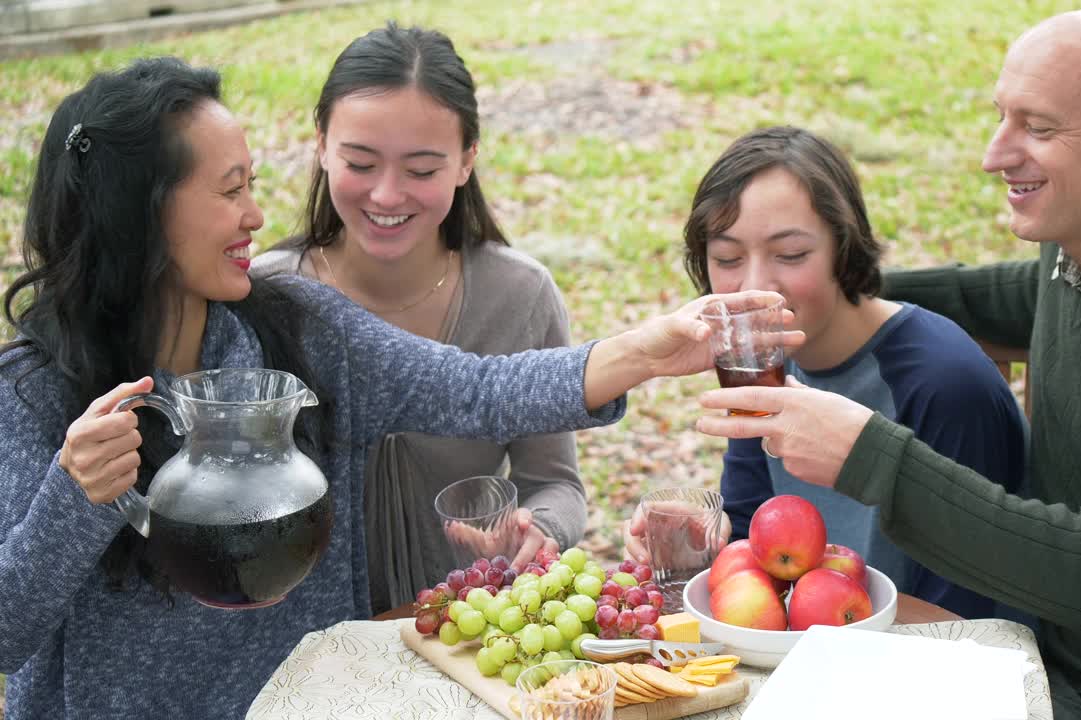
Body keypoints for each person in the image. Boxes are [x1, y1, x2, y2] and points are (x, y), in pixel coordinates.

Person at [0, 57, 797, 719]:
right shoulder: (33, 395)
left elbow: (478, 393)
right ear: (141, 213)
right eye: (229, 189)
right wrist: (73, 498)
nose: (255, 213)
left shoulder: (299, 330)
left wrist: (646, 350)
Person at [697, 7, 1081, 719]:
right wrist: (808, 292)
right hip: (1047, 664)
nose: (994, 153)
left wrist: (875, 457)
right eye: (1002, 118)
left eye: (1037, 128)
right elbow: (1006, 294)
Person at [624, 126, 1027, 620]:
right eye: (727, 258)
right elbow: (756, 534)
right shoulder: (761, 356)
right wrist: (705, 539)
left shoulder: (942, 381)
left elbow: (970, 616)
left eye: (791, 255)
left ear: (845, 246)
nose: (755, 288)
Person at [253, 24, 583, 614]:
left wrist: (542, 528)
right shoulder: (268, 293)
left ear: (466, 161)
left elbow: (556, 479)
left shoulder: (519, 293)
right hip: (299, 644)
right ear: (322, 144)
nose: (386, 195)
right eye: (360, 161)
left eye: (422, 170)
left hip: (466, 629)